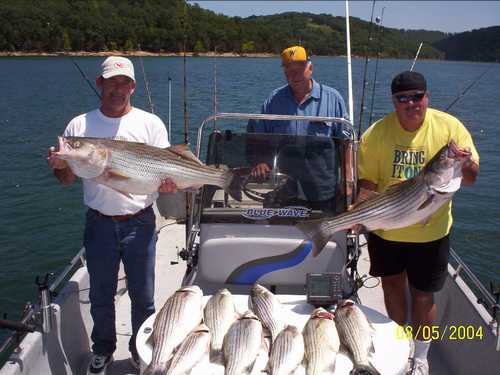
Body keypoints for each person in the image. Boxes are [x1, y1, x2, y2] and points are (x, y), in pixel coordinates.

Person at [47, 56, 177, 374]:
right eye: (110, 82)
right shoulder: (79, 126)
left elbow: (167, 177)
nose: (116, 89)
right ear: (99, 84)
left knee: (143, 296)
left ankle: (139, 349)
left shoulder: (150, 123)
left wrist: (171, 183)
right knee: (101, 294)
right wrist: (61, 165)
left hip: (141, 222)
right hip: (99, 224)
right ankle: (103, 349)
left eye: (123, 83)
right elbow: (66, 181)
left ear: (132, 86)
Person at [357, 71, 479, 375]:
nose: (412, 103)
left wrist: (465, 162)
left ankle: (421, 357)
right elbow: (368, 184)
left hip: (432, 234)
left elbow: (472, 178)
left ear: (427, 97)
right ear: (394, 101)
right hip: (386, 227)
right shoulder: (376, 134)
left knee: (424, 296)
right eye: (403, 98)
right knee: (392, 287)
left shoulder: (450, 129)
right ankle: (399, 345)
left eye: (417, 96)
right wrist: (357, 212)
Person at [247, 45, 352, 212]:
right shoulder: (273, 100)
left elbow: (346, 142)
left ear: (310, 68)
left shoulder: (333, 98)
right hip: (285, 184)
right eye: (289, 70)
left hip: (322, 186)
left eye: (299, 69)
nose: (294, 75)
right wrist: (260, 161)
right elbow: (260, 137)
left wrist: (347, 178)